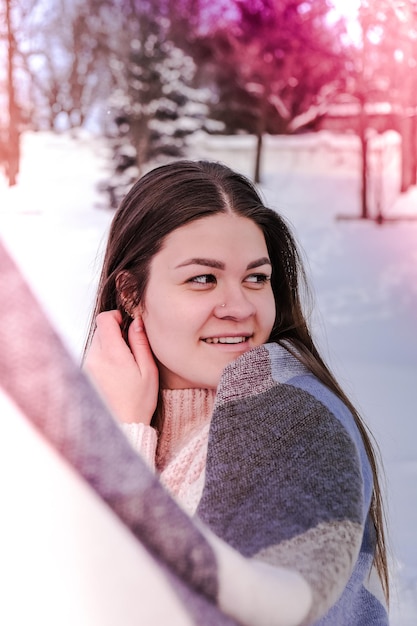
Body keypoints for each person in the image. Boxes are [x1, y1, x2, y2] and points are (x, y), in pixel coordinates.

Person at [83, 159, 389, 625]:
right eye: (203, 279)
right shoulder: (86, 419)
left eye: (256, 277)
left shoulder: (296, 429)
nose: (240, 306)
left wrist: (121, 439)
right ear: (130, 293)